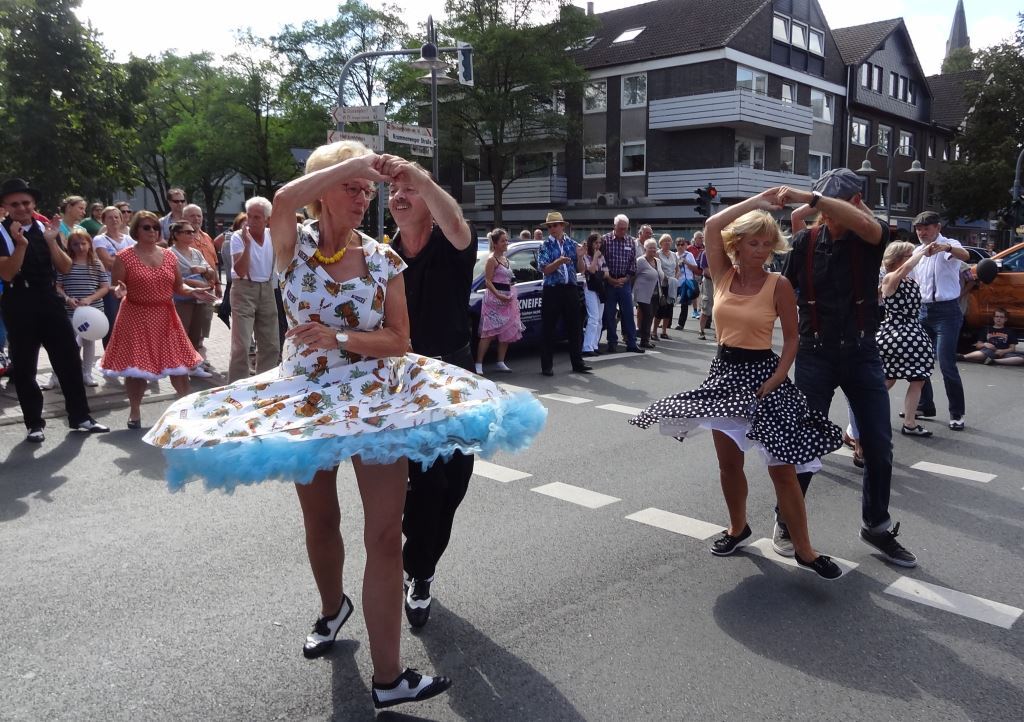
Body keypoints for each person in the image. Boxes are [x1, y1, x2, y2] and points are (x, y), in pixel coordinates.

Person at [144, 140, 546, 710]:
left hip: (377, 400)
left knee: (383, 535)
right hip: (305, 399)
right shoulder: (294, 243)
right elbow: (284, 199)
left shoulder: (383, 260)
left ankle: (389, 677)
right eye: (350, 187)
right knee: (320, 519)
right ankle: (333, 609)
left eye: (365, 189)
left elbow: (399, 340)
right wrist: (353, 162)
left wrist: (338, 337)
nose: (362, 198)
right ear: (324, 190)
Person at [629, 193, 843, 580]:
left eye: (766, 244)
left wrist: (778, 376)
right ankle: (737, 528)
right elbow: (713, 225)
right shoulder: (723, 274)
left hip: (765, 379)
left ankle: (805, 550)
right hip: (724, 376)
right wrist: (761, 201)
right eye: (753, 242)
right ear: (737, 245)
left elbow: (792, 339)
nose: (761, 251)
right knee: (729, 464)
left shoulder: (778, 284)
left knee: (783, 470)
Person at [777, 169, 917, 568]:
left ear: (856, 202)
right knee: (804, 441)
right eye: (822, 203)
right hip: (815, 353)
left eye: (834, 203)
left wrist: (811, 199)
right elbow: (783, 294)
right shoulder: (805, 241)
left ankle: (876, 526)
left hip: (862, 352)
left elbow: (867, 225)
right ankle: (786, 522)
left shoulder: (872, 237)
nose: (826, 213)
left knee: (878, 444)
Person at [384, 154, 489, 632]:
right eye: (394, 191)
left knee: (455, 484)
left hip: (456, 380)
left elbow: (457, 222)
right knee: (429, 485)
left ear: (429, 199)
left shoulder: (453, 246)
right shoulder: (381, 256)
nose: (399, 196)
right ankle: (419, 572)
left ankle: (419, 558)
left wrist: (420, 178)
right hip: (406, 385)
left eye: (409, 190)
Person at [0, 178, 110, 442]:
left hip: (49, 298)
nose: (22, 208)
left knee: (69, 358)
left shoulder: (45, 228)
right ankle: (34, 423)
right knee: (25, 365)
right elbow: (7, 273)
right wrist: (21, 244)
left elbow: (65, 267)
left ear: (33, 203)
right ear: (5, 206)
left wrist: (51, 242)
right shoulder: (1, 232)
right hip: (19, 300)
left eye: (26, 202)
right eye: (15, 204)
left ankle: (80, 416)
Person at [100, 211, 211, 427]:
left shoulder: (169, 256)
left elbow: (179, 286)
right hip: (135, 316)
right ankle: (134, 412)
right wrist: (119, 290)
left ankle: (184, 412)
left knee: (179, 366)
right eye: (146, 227)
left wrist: (193, 291)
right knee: (136, 369)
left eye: (155, 227)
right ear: (136, 230)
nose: (152, 231)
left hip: (165, 315)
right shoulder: (124, 256)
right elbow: (116, 286)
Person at [908, 211, 970, 430]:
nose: (922, 233)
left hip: (947, 312)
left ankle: (957, 413)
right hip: (923, 311)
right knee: (919, 362)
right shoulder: (917, 251)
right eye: (918, 229)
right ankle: (925, 405)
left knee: (946, 363)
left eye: (926, 228)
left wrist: (947, 248)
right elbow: (911, 280)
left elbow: (965, 255)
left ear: (937, 228)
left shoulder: (948, 245)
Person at [876, 241, 935, 437]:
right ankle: (870, 414)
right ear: (898, 259)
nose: (913, 258)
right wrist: (922, 252)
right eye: (909, 255)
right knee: (893, 378)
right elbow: (905, 268)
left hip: (906, 334)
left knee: (912, 379)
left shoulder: (909, 280)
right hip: (900, 335)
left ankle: (908, 422)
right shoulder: (890, 278)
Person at [228, 197, 281, 381]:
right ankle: (235, 387)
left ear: (267, 219)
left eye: (257, 217)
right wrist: (248, 244)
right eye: (249, 216)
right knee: (241, 346)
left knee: (271, 344)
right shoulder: (238, 237)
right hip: (244, 289)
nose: (251, 221)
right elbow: (240, 271)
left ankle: (264, 385)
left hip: (267, 289)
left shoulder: (272, 234)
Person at [54, 228, 109, 387]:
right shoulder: (66, 264)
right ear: (70, 246)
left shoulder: (96, 264)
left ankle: (87, 373)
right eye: (75, 244)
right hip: (71, 311)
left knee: (89, 341)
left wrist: (90, 299)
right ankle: (58, 375)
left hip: (92, 311)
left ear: (89, 244)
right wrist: (67, 298)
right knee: (68, 343)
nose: (80, 247)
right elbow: (58, 286)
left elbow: (104, 287)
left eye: (83, 243)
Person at [537, 211, 588, 376]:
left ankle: (578, 363)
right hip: (552, 290)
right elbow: (545, 269)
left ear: (562, 226)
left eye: (555, 225)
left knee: (575, 327)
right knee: (548, 328)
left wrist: (580, 257)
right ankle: (547, 366)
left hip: (570, 289)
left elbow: (581, 269)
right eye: (549, 226)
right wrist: (558, 262)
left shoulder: (571, 243)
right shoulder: (545, 245)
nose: (552, 229)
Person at [167, 220, 216, 377]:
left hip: (199, 298)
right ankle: (179, 366)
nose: (192, 234)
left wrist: (203, 270)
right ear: (176, 235)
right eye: (187, 232)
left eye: (193, 232)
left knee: (196, 333)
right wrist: (191, 282)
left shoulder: (196, 252)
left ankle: (193, 366)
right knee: (182, 333)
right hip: (181, 299)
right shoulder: (170, 253)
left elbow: (211, 272)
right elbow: (170, 278)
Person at [475, 227, 522, 374]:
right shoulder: (491, 259)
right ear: (495, 243)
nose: (506, 243)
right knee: (488, 333)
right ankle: (479, 363)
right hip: (494, 300)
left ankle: (500, 362)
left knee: (506, 331)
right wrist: (498, 295)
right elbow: (488, 281)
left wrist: (510, 288)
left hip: (507, 299)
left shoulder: (505, 259)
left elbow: (507, 278)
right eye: (503, 241)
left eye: (506, 240)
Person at [182, 204, 221, 369]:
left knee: (204, 326)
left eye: (199, 216)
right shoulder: (182, 238)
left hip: (208, 288)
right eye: (192, 216)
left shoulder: (206, 237)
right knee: (190, 327)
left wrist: (217, 284)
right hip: (189, 291)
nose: (196, 219)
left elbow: (214, 263)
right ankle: (192, 360)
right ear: (184, 218)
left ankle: (198, 358)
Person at [92, 205, 136, 349]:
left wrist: (117, 260)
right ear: (104, 220)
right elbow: (107, 262)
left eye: (117, 217)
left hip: (129, 287)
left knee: (129, 324)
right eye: (110, 217)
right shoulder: (99, 239)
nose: (114, 220)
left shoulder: (130, 240)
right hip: (109, 287)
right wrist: (127, 262)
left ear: (121, 219)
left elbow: (137, 261)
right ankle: (110, 355)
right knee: (111, 322)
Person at [601, 214, 642, 353]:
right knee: (610, 314)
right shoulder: (605, 240)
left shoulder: (631, 241)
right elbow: (601, 261)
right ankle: (612, 342)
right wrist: (610, 279)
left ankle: (632, 343)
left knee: (628, 313)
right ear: (614, 226)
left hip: (625, 282)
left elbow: (633, 263)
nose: (623, 231)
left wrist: (626, 278)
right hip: (609, 282)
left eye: (625, 228)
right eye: (620, 228)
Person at [634, 239, 664, 349]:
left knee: (650, 316)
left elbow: (660, 275)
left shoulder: (658, 261)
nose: (652, 249)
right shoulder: (640, 261)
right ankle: (644, 340)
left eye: (654, 247)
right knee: (647, 315)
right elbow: (633, 275)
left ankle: (645, 339)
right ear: (645, 249)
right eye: (650, 247)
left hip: (656, 293)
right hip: (643, 294)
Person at [581, 232, 608, 357]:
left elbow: (606, 273)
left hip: (600, 288)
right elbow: (591, 270)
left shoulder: (602, 257)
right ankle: (587, 346)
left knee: (599, 319)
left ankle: (594, 344)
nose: (598, 245)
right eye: (596, 242)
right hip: (590, 288)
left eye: (600, 243)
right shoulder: (586, 256)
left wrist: (598, 272)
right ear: (591, 243)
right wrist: (596, 258)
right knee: (593, 317)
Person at [654, 234, 678, 338]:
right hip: (662, 284)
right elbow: (657, 268)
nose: (667, 243)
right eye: (665, 241)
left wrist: (675, 279)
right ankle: (654, 331)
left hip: (672, 285)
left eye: (669, 241)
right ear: (661, 243)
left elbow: (677, 269)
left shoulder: (674, 255)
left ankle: (664, 331)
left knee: (669, 309)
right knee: (661, 308)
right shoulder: (657, 254)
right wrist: (666, 278)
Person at [673, 238, 699, 332]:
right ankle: (667, 322)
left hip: (685, 282)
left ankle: (681, 324)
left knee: (684, 304)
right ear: (675, 246)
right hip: (675, 282)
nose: (680, 246)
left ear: (685, 245)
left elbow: (695, 268)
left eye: (682, 244)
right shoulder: (674, 255)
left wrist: (686, 263)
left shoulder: (689, 255)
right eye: (678, 244)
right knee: (670, 302)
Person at [688, 231, 706, 319]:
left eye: (702, 237)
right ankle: (695, 311)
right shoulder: (689, 248)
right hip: (692, 273)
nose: (702, 239)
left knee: (703, 293)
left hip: (703, 273)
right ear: (695, 239)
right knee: (695, 292)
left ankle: (700, 310)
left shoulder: (706, 247)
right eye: (700, 237)